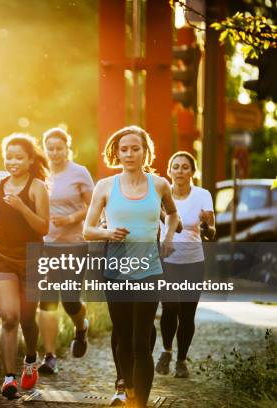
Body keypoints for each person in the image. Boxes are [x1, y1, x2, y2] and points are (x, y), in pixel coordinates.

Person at [83, 125, 179, 408]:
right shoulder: (105, 186)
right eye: (123, 149)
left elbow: (173, 215)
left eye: (135, 148)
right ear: (117, 152)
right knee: (123, 337)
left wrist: (169, 237)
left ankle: (140, 401)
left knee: (141, 340)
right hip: (116, 271)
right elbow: (87, 229)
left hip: (150, 270)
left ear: (145, 151)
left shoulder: (160, 184)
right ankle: (129, 390)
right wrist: (107, 233)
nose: (129, 154)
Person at [0, 133, 50, 399]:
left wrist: (22, 207)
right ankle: (8, 378)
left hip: (32, 259)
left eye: (18, 157)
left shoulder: (37, 187)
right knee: (9, 317)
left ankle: (30, 360)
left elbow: (43, 227)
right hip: (2, 257)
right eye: (9, 156)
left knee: (27, 317)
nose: (12, 162)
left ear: (29, 160)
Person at [38, 127, 93, 375]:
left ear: (67, 148)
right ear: (45, 149)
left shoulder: (79, 173)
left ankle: (81, 328)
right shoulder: (41, 173)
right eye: (50, 148)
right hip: (45, 245)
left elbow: (93, 206)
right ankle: (49, 356)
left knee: (70, 300)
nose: (55, 152)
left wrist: (72, 217)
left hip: (74, 244)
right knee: (47, 301)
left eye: (59, 148)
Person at [155, 151, 215, 379]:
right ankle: (166, 351)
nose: (180, 171)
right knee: (170, 308)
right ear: (169, 171)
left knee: (188, 314)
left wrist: (206, 228)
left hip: (193, 262)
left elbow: (212, 232)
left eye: (185, 167)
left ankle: (181, 360)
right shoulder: (161, 194)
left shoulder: (202, 195)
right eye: (176, 167)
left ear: (192, 171)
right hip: (167, 260)